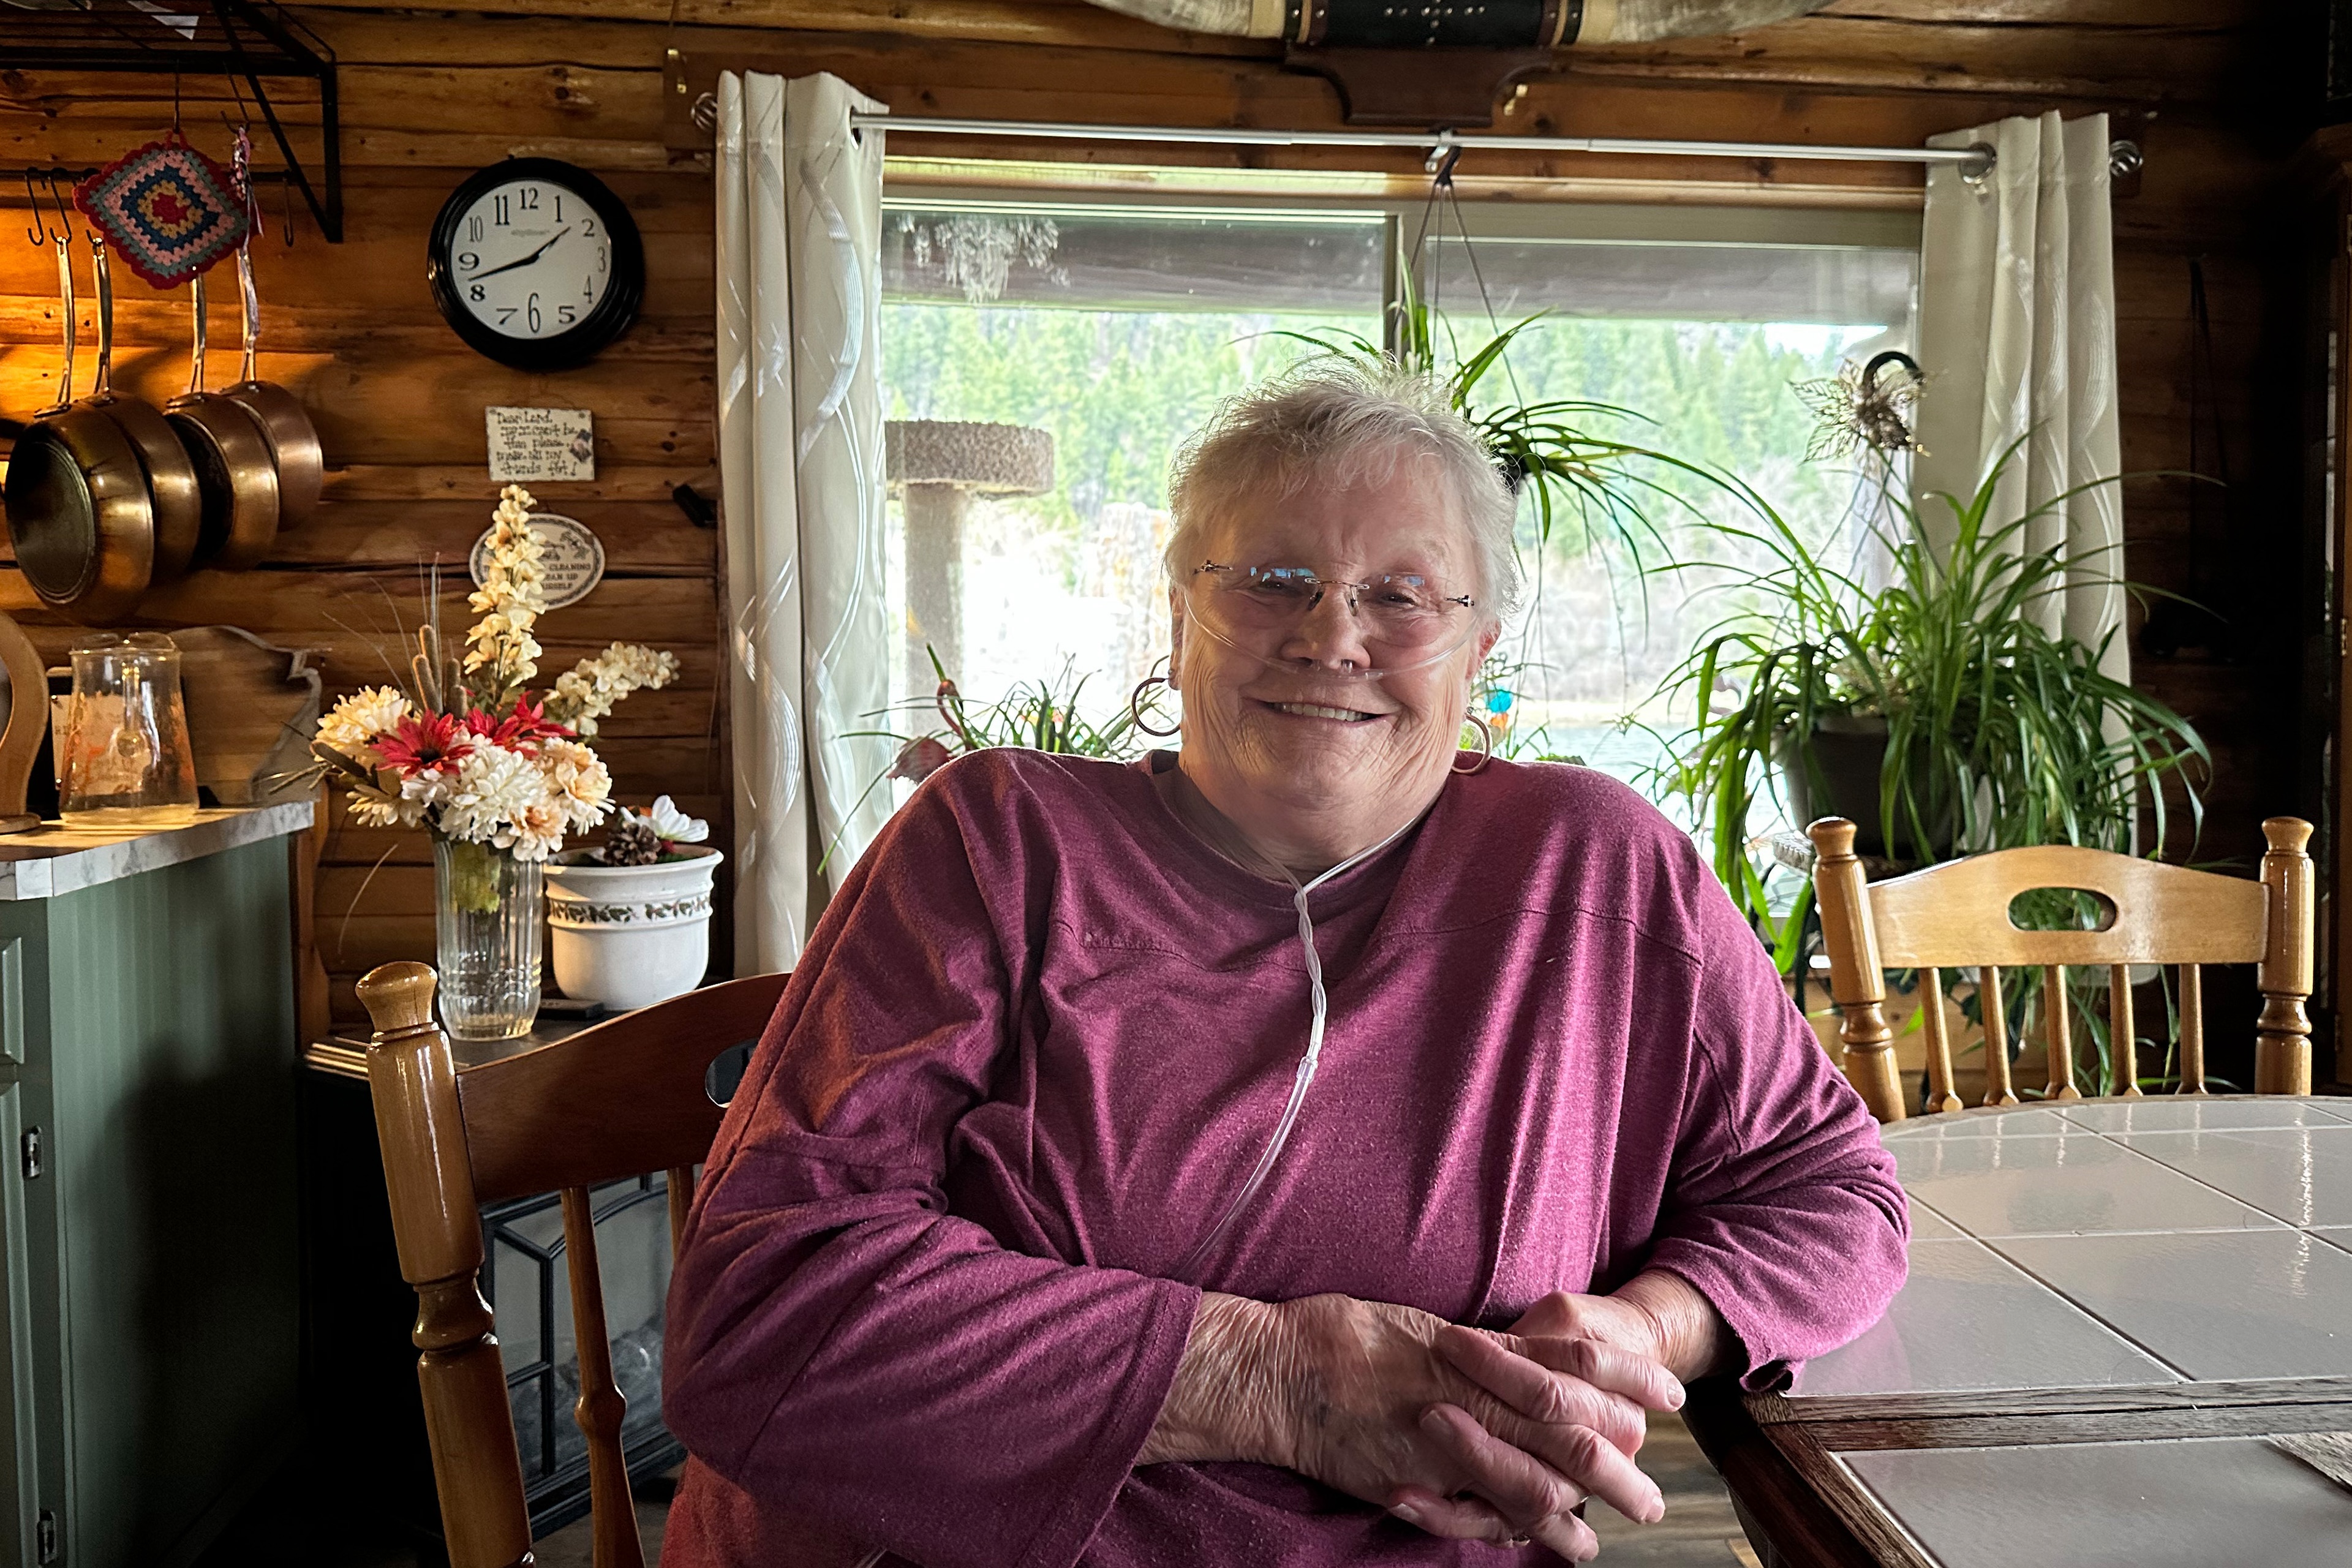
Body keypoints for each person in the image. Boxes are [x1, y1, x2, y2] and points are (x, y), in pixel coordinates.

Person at [661, 364, 1907, 1567]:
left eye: (1403, 594)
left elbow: (1833, 1190)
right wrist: (1276, 1379)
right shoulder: (995, 841)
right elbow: (761, 1314)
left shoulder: (1597, 871)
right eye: (1273, 579)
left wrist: (1647, 1327)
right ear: (1177, 618)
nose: (1332, 636)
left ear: (1480, 655)